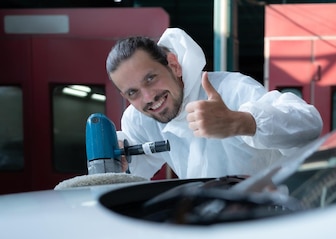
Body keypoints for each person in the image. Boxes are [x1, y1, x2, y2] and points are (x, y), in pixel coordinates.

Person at [105, 28, 323, 180]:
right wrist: (119, 165)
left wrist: (241, 122)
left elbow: (309, 124)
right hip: (206, 226)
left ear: (174, 65)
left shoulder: (232, 89)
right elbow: (133, 173)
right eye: (133, 92)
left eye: (151, 78)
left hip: (267, 221)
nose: (148, 97)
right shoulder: (140, 119)